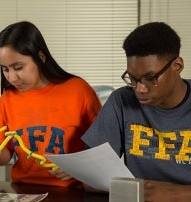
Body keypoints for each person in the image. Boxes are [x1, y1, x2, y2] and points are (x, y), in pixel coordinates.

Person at [0, 21, 101, 188]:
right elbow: (4, 156)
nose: (11, 78)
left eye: (18, 67)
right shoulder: (8, 99)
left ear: (41, 57)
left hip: (72, 192)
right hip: (23, 190)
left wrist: (79, 167)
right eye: (5, 69)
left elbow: (104, 148)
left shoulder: (78, 90)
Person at [82, 21, 191, 201]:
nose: (139, 89)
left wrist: (174, 193)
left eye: (150, 78)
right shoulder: (121, 101)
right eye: (132, 79)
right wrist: (143, 188)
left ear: (177, 66)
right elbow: (91, 180)